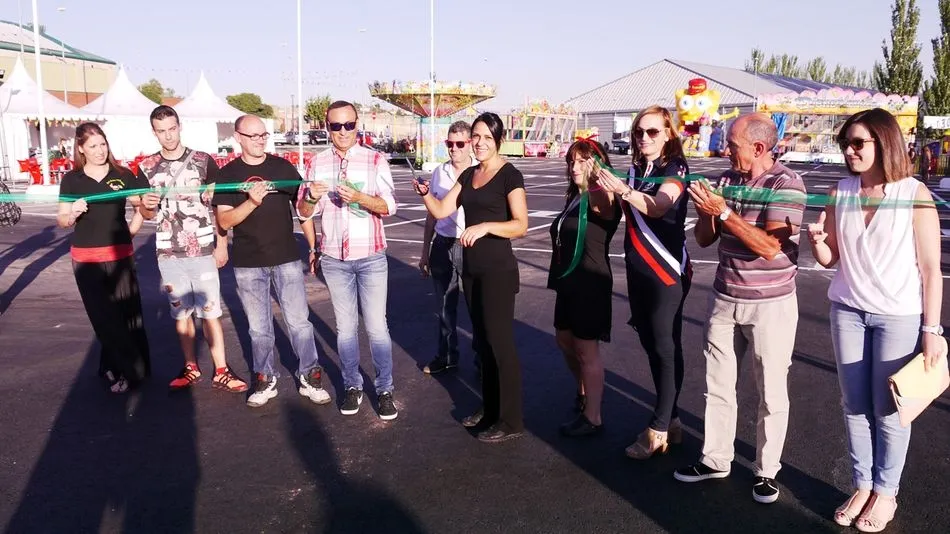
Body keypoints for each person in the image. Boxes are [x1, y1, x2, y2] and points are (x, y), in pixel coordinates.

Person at [807, 108, 946, 532]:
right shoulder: (840, 192)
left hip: (898, 317)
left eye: (858, 143)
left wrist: (931, 330)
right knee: (854, 406)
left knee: (888, 410)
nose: (849, 150)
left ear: (883, 143)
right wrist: (817, 243)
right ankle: (863, 485)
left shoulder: (913, 193)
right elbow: (832, 260)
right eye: (846, 143)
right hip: (847, 310)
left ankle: (886, 492)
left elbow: (930, 269)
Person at [674, 114, 807, 506]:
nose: (725, 149)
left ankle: (766, 471)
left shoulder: (787, 184)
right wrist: (706, 211)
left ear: (759, 148)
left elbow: (769, 247)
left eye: (732, 144)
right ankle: (716, 458)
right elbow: (703, 239)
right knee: (717, 384)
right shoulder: (727, 181)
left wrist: (726, 213)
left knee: (771, 390)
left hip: (771, 306)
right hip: (724, 298)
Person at [414, 112, 529, 443]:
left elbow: (520, 224)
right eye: (475, 137)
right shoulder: (468, 175)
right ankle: (490, 409)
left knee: (500, 345)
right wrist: (424, 192)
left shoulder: (510, 175)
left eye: (486, 139)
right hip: (472, 269)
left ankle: (510, 420)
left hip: (497, 272)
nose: (478, 143)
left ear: (498, 140)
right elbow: (440, 211)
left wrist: (486, 226)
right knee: (483, 343)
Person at [212, 114, 331, 408]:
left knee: (299, 322)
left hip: (287, 258)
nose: (260, 140)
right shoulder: (228, 176)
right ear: (238, 137)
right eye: (253, 136)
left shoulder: (282, 167)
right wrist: (251, 201)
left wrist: (312, 200)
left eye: (263, 135)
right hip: (248, 262)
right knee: (259, 328)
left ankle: (310, 376)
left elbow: (303, 209)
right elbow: (224, 221)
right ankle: (265, 377)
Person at [596, 106, 691, 458]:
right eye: (639, 131)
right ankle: (674, 420)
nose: (644, 138)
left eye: (652, 132)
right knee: (654, 347)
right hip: (637, 270)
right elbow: (624, 211)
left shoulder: (675, 167)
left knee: (665, 348)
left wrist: (624, 191)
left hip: (665, 270)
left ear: (668, 133)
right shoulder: (637, 169)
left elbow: (661, 205)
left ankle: (659, 428)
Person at [298, 101, 399, 421]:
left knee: (377, 328)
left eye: (348, 125)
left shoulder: (374, 159)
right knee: (345, 329)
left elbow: (389, 207)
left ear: (357, 125)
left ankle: (384, 389)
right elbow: (303, 212)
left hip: (370, 256)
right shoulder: (317, 162)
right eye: (335, 126)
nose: (342, 132)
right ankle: (352, 385)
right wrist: (312, 196)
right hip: (334, 258)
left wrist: (359, 198)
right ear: (326, 127)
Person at [136, 105, 247, 393]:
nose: (168, 136)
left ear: (179, 126)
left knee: (210, 311)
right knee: (180, 313)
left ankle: (221, 369)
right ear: (153, 132)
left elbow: (219, 206)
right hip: (168, 253)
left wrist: (222, 244)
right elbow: (147, 216)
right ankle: (190, 366)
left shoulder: (202, 161)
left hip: (202, 249)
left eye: (172, 128)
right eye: (161, 131)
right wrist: (147, 208)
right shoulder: (146, 168)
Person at [56, 122, 151, 393]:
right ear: (81, 149)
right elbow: (62, 220)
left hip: (120, 255)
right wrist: (72, 211)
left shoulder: (122, 174)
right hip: (86, 260)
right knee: (103, 318)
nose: (99, 151)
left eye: (103, 144)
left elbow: (140, 208)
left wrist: (131, 231)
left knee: (126, 314)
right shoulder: (72, 179)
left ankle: (118, 368)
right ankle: (126, 370)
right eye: (93, 146)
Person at [548, 139, 619, 436]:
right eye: (571, 162)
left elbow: (604, 203)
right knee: (564, 341)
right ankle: (583, 390)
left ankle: (593, 416)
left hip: (590, 283)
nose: (574, 167)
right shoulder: (575, 196)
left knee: (587, 351)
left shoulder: (601, 196)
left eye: (582, 161)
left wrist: (597, 176)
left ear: (597, 164)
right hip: (568, 282)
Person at [418, 120, 477, 375]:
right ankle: (447, 356)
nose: (454, 149)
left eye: (460, 144)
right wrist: (424, 251)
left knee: (477, 308)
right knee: (444, 307)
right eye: (450, 144)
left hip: (471, 245)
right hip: (442, 244)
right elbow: (432, 214)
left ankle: (482, 362)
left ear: (470, 145)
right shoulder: (439, 174)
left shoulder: (479, 171)